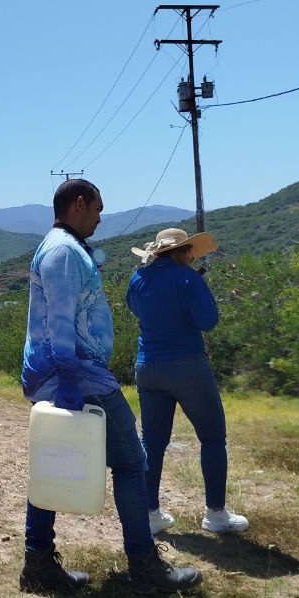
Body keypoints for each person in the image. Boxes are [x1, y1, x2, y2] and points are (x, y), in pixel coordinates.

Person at [19, 180, 202, 596]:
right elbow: (61, 319)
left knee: (51, 463)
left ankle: (38, 564)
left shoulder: (60, 246)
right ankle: (145, 568)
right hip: (78, 375)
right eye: (98, 209)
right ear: (79, 204)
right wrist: (68, 375)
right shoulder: (64, 251)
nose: (100, 218)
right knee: (132, 463)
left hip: (66, 373)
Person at [127, 228, 248, 535]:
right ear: (180, 252)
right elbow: (208, 321)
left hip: (148, 366)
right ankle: (216, 514)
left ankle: (150, 514)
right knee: (211, 438)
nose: (193, 258)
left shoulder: (138, 279)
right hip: (187, 366)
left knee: (152, 443)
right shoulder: (189, 279)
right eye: (190, 252)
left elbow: (134, 309)